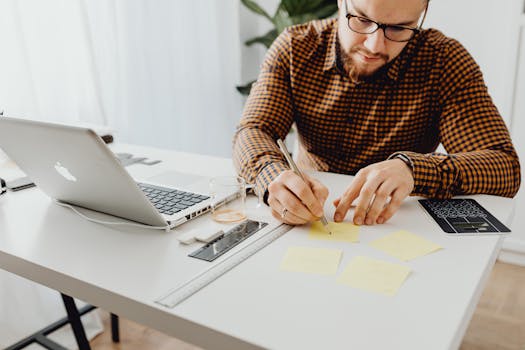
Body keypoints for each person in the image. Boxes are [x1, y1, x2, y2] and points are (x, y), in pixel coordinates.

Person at [233, 0, 521, 226]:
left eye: (398, 29)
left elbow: (504, 168)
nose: (374, 46)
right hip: (310, 217)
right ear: (341, 2)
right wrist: (274, 177)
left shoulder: (444, 62)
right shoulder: (296, 48)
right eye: (361, 20)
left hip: (398, 223)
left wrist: (413, 169)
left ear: (423, 12)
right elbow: (254, 131)